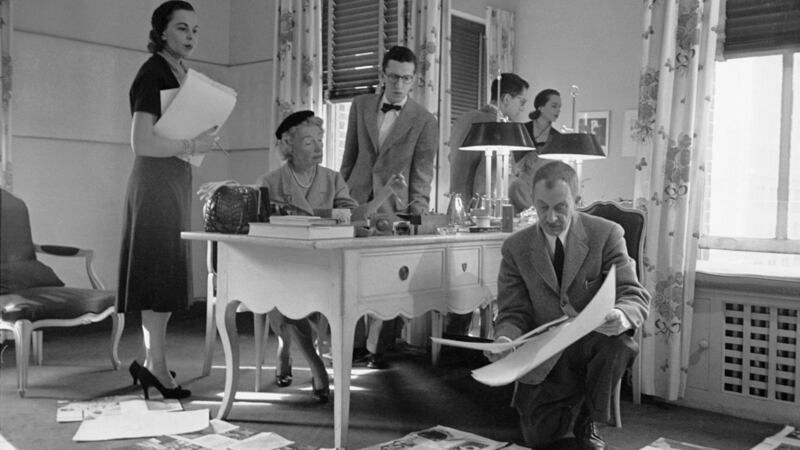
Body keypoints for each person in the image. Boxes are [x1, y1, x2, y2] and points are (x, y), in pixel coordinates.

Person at [489, 161, 650, 449]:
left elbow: (633, 293)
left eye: (560, 207)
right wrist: (504, 339)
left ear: (577, 201)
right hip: (546, 355)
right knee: (539, 439)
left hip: (593, 346)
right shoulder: (515, 247)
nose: (551, 217)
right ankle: (562, 409)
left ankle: (587, 417)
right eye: (542, 208)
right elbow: (514, 311)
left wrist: (621, 315)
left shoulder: (607, 234)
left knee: (620, 345)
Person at [256, 110, 407, 400]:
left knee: (322, 294)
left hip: (324, 265)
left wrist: (385, 193)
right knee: (285, 293)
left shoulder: (333, 179)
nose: (318, 147)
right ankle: (315, 365)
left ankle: (286, 346)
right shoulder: (270, 181)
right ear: (289, 146)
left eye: (320, 140)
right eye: (309, 142)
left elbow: (353, 217)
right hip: (283, 265)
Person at [118, 0, 218, 400]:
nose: (191, 37)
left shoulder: (180, 72)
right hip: (155, 184)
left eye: (195, 30)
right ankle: (157, 369)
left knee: (163, 276)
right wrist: (193, 142)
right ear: (161, 32)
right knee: (157, 278)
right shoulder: (154, 71)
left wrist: (200, 139)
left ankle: (150, 363)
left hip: (173, 180)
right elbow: (140, 142)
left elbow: (170, 131)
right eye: (181, 29)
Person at [340, 45, 438, 369]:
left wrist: (417, 216)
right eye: (393, 77)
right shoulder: (360, 105)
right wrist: (340, 198)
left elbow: (422, 174)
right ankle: (350, 346)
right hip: (357, 202)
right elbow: (349, 158)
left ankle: (380, 351)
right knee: (351, 278)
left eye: (406, 79)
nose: (398, 84)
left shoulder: (425, 120)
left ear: (414, 81)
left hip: (395, 207)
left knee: (388, 282)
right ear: (382, 75)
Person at [449, 72, 530, 201]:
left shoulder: (465, 118)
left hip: (456, 205)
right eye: (522, 101)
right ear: (507, 99)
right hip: (479, 209)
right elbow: (487, 180)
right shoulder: (498, 126)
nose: (523, 108)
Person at [509, 89, 562, 212]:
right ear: (541, 107)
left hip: (544, 188)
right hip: (520, 186)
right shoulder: (521, 130)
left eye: (560, 107)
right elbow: (510, 161)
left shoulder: (557, 137)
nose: (558, 110)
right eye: (554, 106)